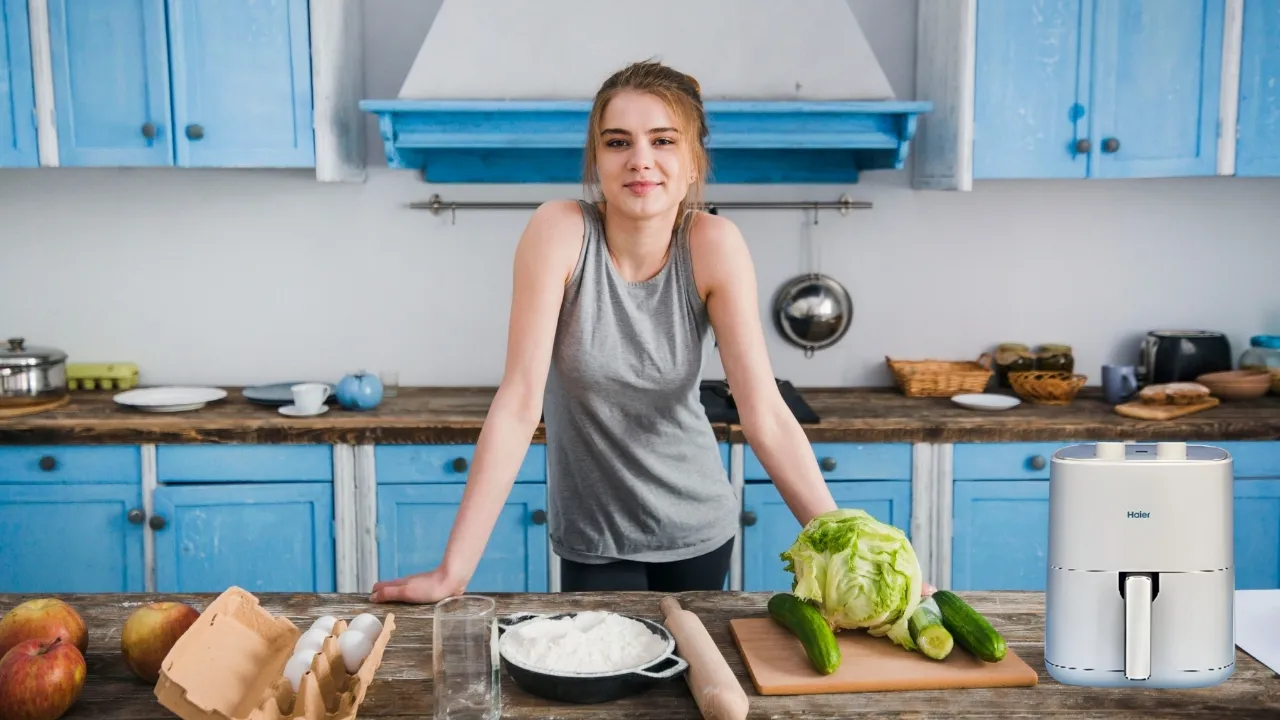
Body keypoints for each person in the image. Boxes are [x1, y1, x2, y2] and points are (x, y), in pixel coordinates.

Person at [370, 60, 838, 603]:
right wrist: (453, 573)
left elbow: (766, 416)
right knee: (601, 683)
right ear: (597, 159)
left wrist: (851, 549)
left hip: (697, 529)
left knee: (685, 683)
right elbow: (520, 403)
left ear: (692, 163)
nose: (640, 160)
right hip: (594, 535)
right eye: (618, 142)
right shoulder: (560, 230)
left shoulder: (714, 244)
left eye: (663, 140)